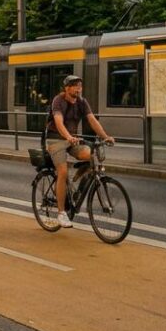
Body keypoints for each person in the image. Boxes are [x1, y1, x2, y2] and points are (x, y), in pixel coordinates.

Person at [45, 75, 116, 228]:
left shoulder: (82, 102)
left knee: (88, 155)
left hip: (72, 140)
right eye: (75, 86)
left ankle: (75, 183)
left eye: (80, 86)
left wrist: (105, 136)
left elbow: (92, 120)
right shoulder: (59, 100)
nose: (78, 89)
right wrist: (68, 136)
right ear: (67, 88)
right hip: (55, 139)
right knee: (63, 172)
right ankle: (61, 213)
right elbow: (58, 122)